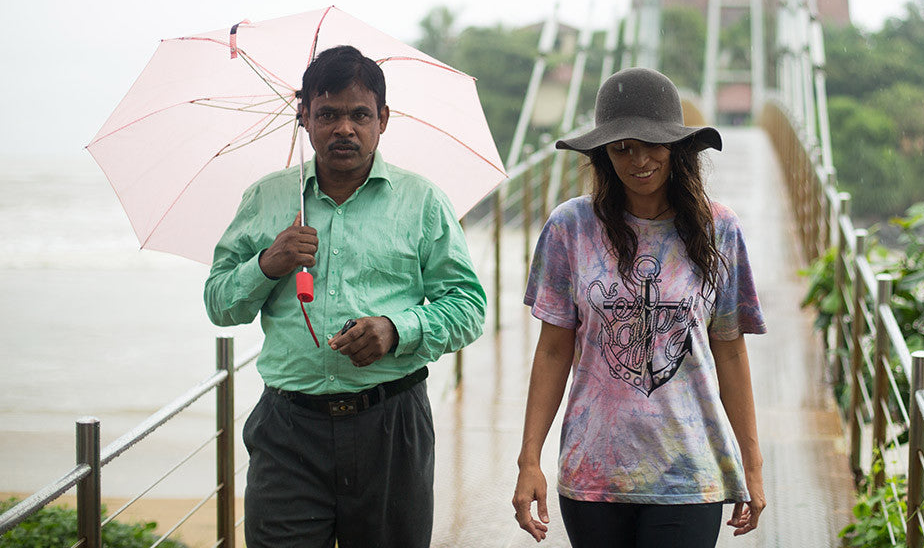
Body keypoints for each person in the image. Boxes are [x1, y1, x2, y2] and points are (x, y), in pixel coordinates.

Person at [205, 44, 486, 548]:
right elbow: (220, 304)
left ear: (383, 119)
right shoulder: (267, 200)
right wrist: (268, 264)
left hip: (391, 426)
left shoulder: (422, 202)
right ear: (304, 117)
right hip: (288, 430)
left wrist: (397, 329)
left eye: (359, 115)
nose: (344, 129)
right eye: (327, 114)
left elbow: (468, 306)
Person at [512, 67, 767, 547]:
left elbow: (730, 353)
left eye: (652, 144)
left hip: (689, 471)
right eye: (621, 147)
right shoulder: (572, 227)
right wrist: (529, 461)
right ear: (604, 155)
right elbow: (552, 352)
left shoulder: (720, 231)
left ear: (678, 147)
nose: (638, 160)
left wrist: (752, 466)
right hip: (594, 473)